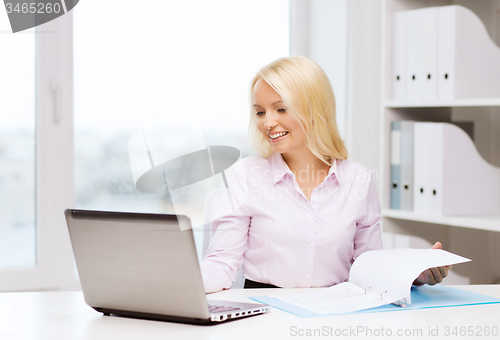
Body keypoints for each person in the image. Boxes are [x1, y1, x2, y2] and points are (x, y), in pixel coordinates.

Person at [200, 56, 450, 294]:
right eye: (261, 112)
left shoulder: (358, 179)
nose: (268, 123)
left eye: (281, 109)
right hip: (266, 308)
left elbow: (370, 267)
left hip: (335, 310)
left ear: (314, 110)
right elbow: (221, 263)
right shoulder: (246, 175)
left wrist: (415, 275)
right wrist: (172, 282)